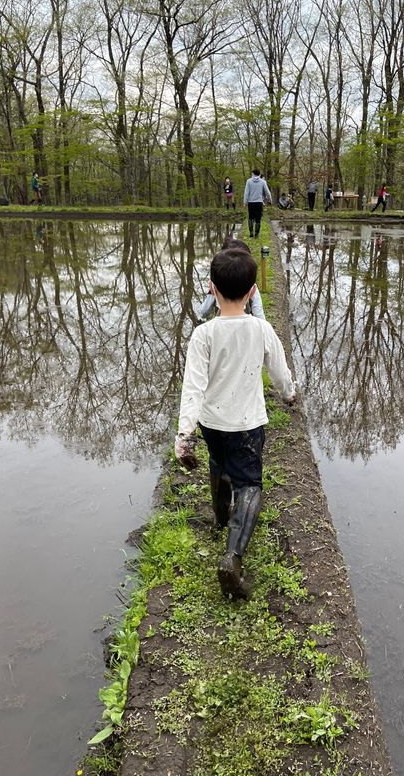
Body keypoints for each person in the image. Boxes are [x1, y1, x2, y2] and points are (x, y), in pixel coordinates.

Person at [175, 248, 295, 599]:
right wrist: (289, 394)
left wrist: (185, 435)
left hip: (212, 423)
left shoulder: (203, 335)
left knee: (219, 462)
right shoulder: (261, 328)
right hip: (247, 424)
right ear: (253, 291)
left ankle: (220, 518)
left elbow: (193, 387)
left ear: (211, 288)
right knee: (249, 485)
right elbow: (279, 373)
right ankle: (232, 557)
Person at [197, 238, 265, 321]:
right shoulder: (250, 286)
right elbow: (259, 314)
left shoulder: (217, 285)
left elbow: (203, 312)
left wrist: (213, 291)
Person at [243, 168, 272, 237]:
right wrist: (270, 199)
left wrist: (245, 202)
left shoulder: (248, 181)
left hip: (251, 203)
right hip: (259, 202)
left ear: (253, 174)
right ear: (259, 174)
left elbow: (246, 193)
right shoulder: (263, 182)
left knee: (250, 218)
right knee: (258, 219)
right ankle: (256, 234)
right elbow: (267, 192)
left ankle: (251, 233)